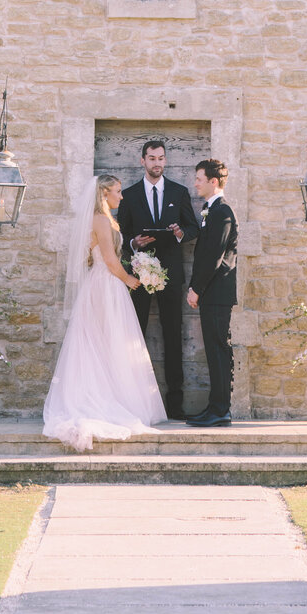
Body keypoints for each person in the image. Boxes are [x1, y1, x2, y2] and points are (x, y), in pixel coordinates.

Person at [43, 174, 167, 452]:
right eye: (118, 191)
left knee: (107, 342)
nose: (121, 196)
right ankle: (102, 399)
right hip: (105, 285)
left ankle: (114, 395)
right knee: (104, 340)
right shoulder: (100, 219)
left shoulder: (106, 219)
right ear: (104, 193)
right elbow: (110, 261)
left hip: (105, 283)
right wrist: (130, 280)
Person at [116, 139, 200, 420]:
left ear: (166, 160)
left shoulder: (179, 191)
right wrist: (134, 242)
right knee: (134, 335)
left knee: (172, 335)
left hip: (171, 275)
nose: (157, 163)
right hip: (138, 275)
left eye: (161, 158)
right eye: (152, 158)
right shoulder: (128, 195)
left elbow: (192, 229)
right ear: (143, 161)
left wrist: (178, 233)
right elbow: (121, 235)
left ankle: (175, 405)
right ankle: (132, 401)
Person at [185, 159, 237, 427]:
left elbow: (214, 257)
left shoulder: (222, 212)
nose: (195, 183)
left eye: (199, 178)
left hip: (217, 294)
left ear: (213, 181)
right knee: (215, 350)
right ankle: (216, 407)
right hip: (212, 294)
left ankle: (220, 410)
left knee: (218, 350)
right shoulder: (211, 211)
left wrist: (196, 289)